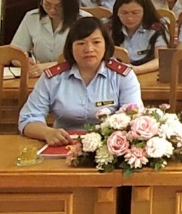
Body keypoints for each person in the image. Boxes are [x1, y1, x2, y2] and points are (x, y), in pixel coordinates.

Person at [17, 17, 142, 145]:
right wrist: (47, 132)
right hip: (64, 144)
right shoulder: (53, 78)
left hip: (109, 146)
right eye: (81, 43)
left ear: (106, 45)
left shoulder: (122, 76)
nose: (89, 49)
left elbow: (134, 118)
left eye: (96, 42)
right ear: (70, 47)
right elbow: (28, 118)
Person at [11, 0, 89, 74]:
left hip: (73, 75)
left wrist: (50, 66)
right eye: (47, 4)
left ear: (69, 4)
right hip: (39, 76)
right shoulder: (32, 17)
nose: (52, 10)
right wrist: (25, 62)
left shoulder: (84, 21)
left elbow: (88, 59)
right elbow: (13, 54)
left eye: (58, 6)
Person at [109, 0, 168, 74]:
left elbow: (161, 60)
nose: (129, 18)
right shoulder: (108, 27)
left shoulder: (157, 27)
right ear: (117, 11)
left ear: (145, 11)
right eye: (124, 13)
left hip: (147, 73)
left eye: (135, 13)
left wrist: (137, 69)